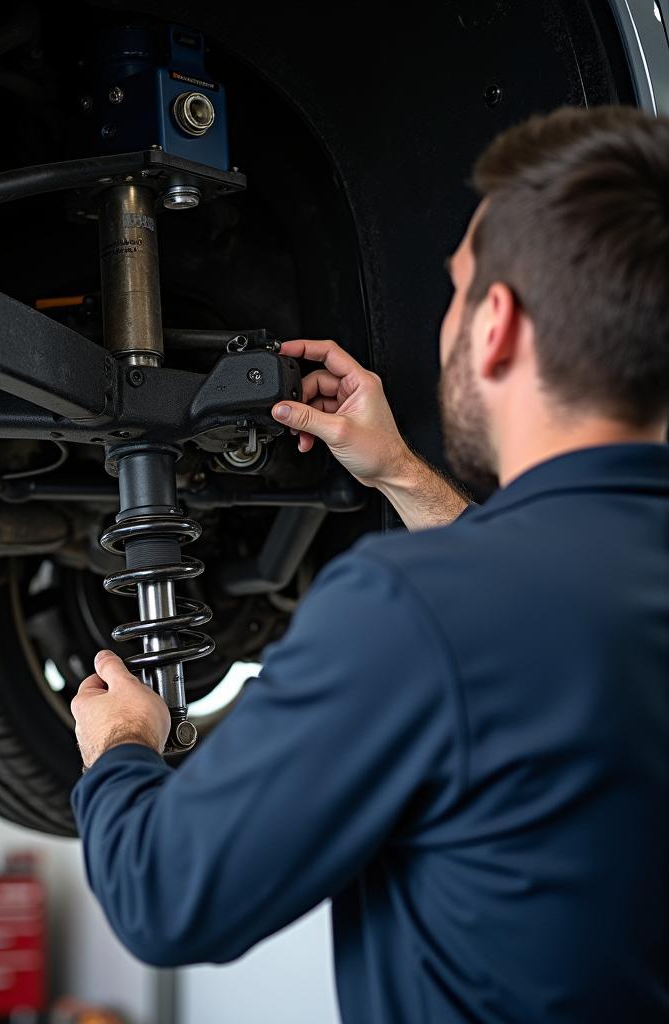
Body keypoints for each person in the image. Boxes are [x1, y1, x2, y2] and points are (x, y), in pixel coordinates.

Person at [69, 105, 669, 1023]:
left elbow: (163, 896)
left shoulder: (412, 612)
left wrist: (119, 749)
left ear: (497, 325)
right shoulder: (541, 597)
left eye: (458, 293)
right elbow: (538, 613)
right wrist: (400, 474)